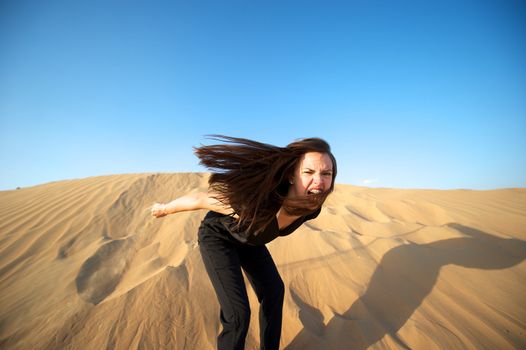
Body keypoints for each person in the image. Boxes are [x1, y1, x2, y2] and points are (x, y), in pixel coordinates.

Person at [151, 135, 337, 350]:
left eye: (326, 173)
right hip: (219, 238)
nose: (320, 181)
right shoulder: (259, 203)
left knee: (274, 292)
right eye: (309, 172)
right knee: (238, 315)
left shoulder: (312, 207)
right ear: (291, 176)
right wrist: (163, 209)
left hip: (251, 241)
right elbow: (201, 199)